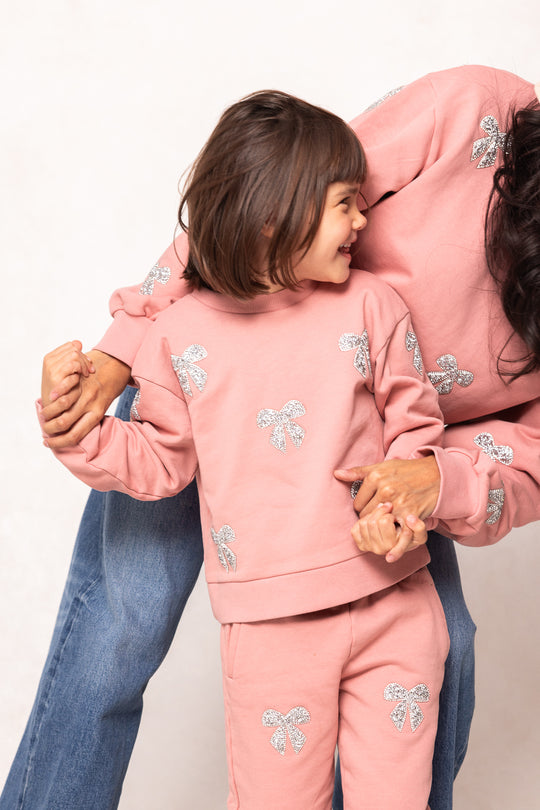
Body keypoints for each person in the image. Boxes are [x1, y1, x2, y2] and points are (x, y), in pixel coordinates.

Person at [3, 64, 539, 810]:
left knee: (448, 650)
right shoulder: (476, 113)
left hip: (380, 470)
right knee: (122, 623)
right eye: (346, 209)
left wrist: (432, 483)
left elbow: (521, 463)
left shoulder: (374, 309)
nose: (357, 221)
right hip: (219, 393)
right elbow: (268, 188)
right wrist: (119, 353)